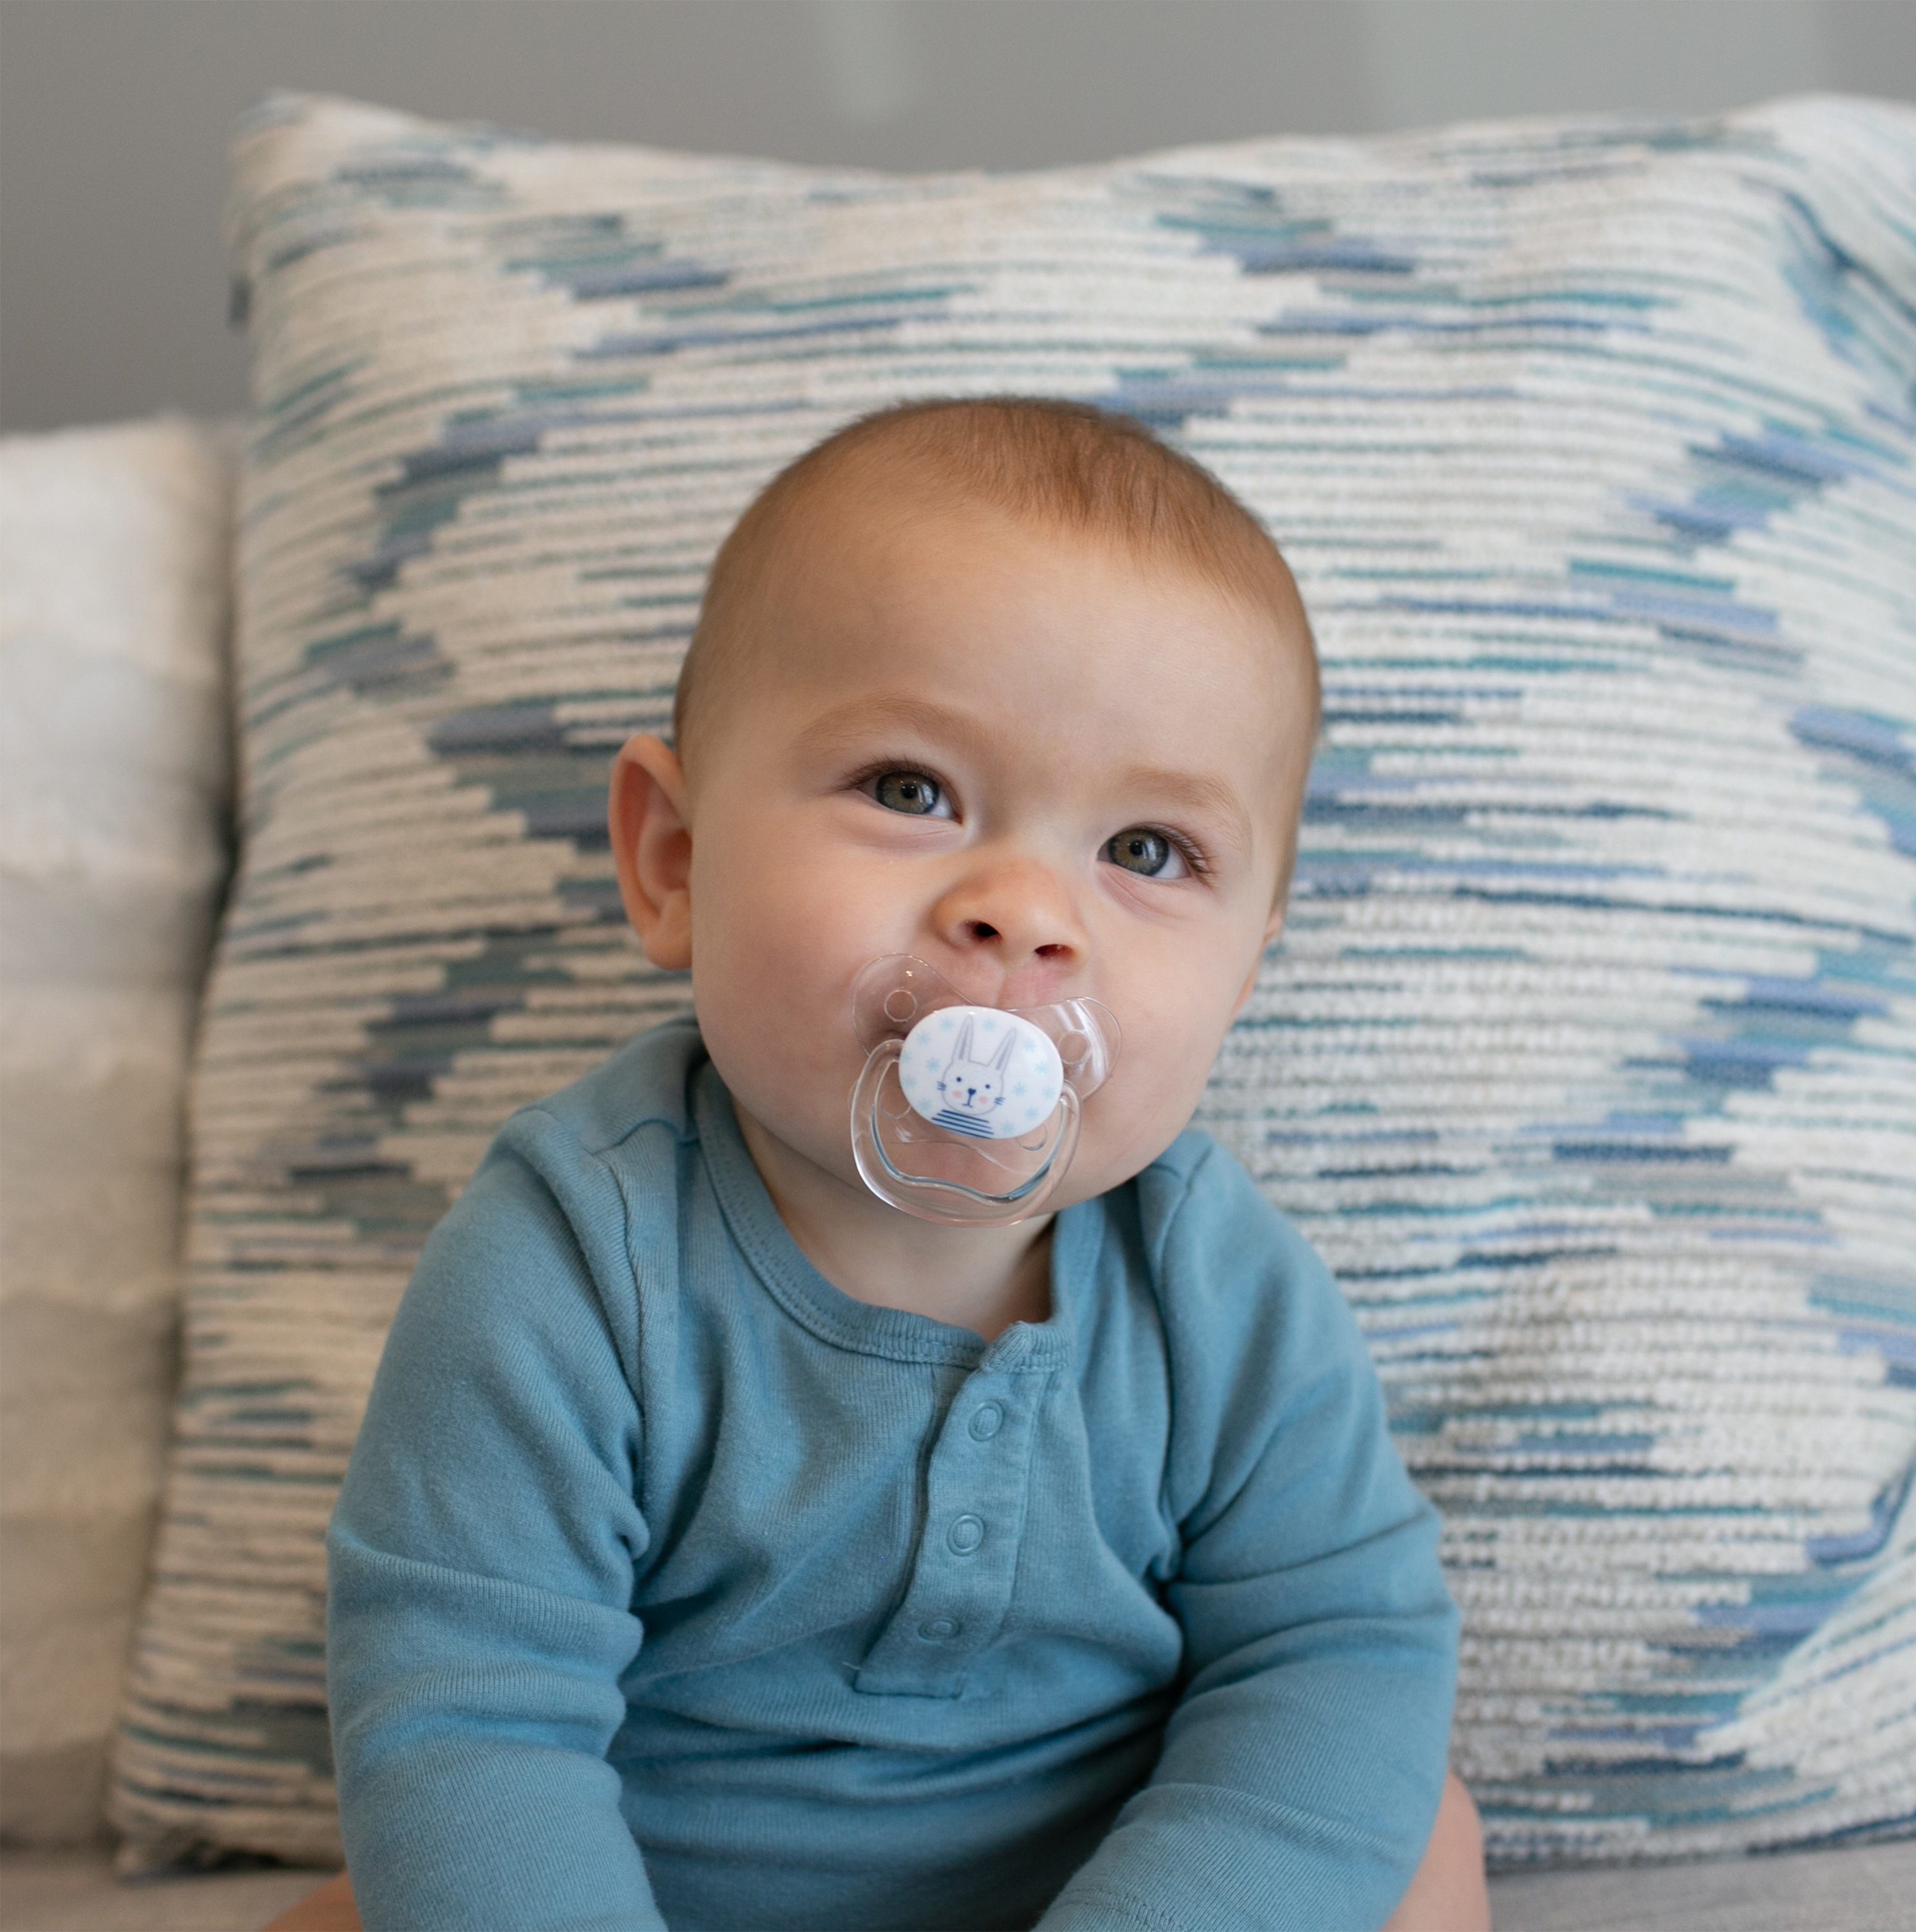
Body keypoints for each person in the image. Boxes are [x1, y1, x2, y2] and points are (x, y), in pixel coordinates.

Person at [285, 398, 1490, 1932]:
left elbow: (1337, 1658)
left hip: (1100, 1888)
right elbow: (466, 1717)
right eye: (912, 791)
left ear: (1247, 969)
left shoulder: (1224, 1296)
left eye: (1144, 852)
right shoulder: (571, 1261)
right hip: (652, 1889)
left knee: (1418, 1838)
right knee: (376, 1894)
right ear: (674, 861)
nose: (1025, 915)